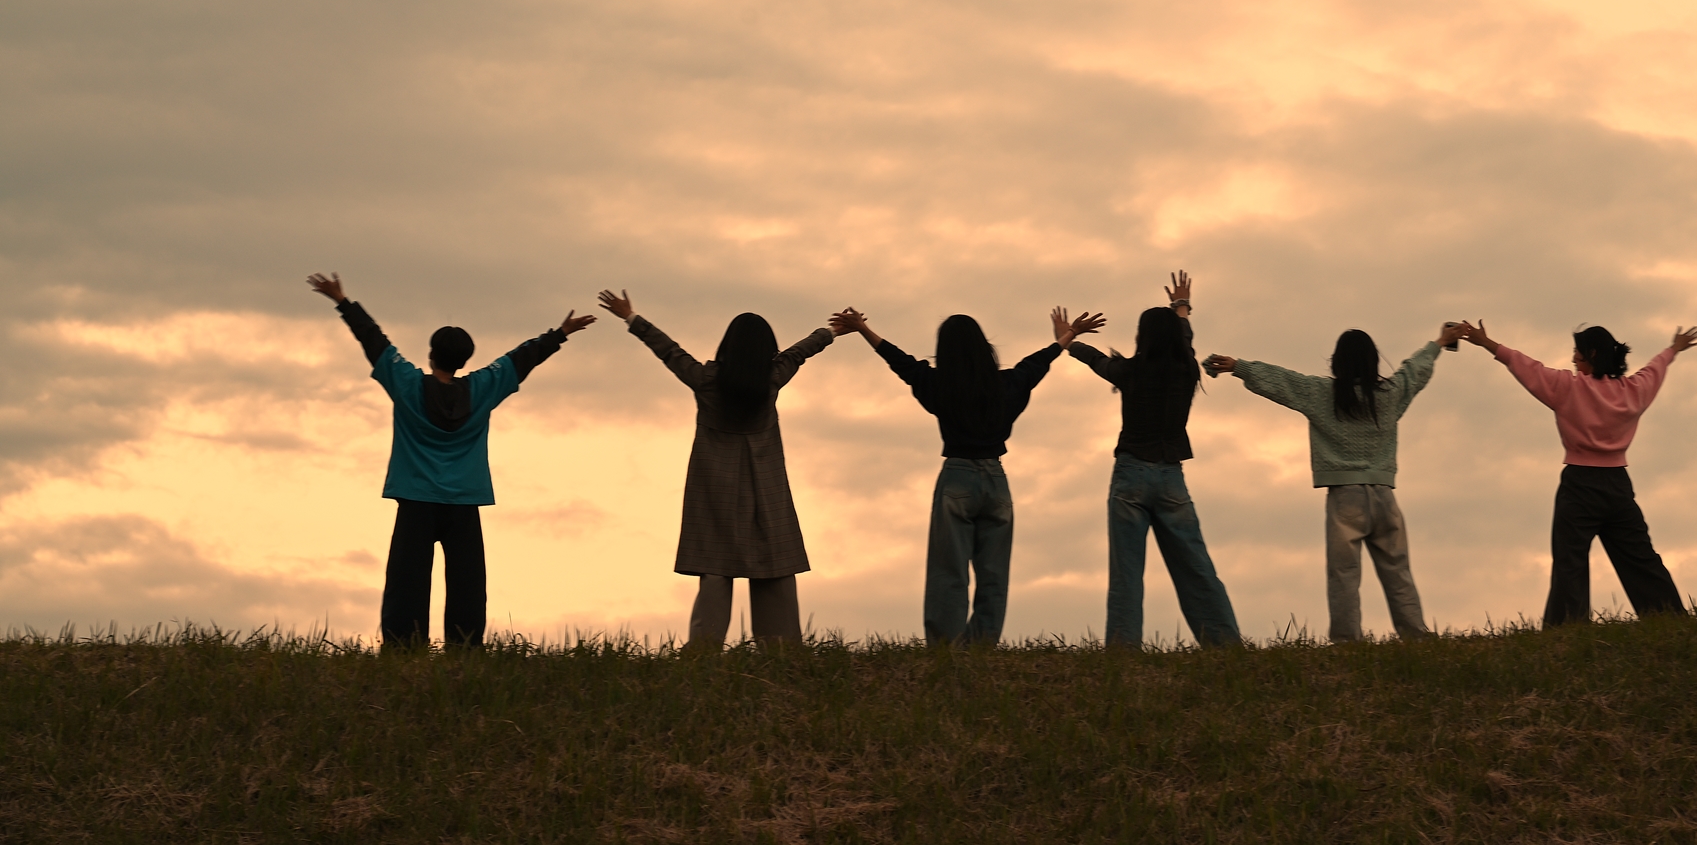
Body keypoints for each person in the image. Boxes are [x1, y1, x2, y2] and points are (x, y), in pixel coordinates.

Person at [307, 272, 595, 648]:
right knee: (467, 583)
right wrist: (560, 334)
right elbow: (521, 359)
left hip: (416, 499)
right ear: (464, 360)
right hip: (464, 500)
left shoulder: (407, 384)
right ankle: (465, 651)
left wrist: (343, 302)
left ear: (431, 355)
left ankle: (403, 649)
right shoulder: (484, 388)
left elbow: (374, 341)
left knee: (407, 581)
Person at [830, 304, 1106, 647]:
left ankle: (945, 649)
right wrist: (1069, 336)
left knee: (949, 571)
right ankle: (981, 647)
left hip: (957, 477)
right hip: (996, 481)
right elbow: (1037, 363)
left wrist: (862, 329)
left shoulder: (938, 384)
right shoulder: (1007, 384)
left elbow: (900, 362)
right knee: (994, 574)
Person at [598, 288, 848, 646]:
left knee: (715, 567)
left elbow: (669, 351)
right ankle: (781, 651)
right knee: (774, 564)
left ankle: (703, 651)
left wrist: (631, 317)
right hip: (766, 488)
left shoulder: (706, 381)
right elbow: (799, 352)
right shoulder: (772, 379)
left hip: (715, 489)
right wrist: (832, 331)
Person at [1205, 323, 1465, 643]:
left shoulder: (1321, 394)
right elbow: (1415, 371)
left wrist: (1239, 367)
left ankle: (1347, 641)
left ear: (1337, 362)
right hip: (1384, 496)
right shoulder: (1389, 394)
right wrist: (1439, 342)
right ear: (1373, 360)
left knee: (1343, 575)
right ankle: (1416, 635)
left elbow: (1283, 381)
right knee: (1397, 570)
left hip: (1345, 498)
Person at [1459, 319, 1697, 625]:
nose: (1573, 359)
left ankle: (1567, 628)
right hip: (1618, 486)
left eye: (1577, 352)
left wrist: (1487, 343)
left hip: (1579, 485)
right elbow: (1654, 370)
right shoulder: (1633, 391)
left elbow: (1526, 366)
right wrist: (1673, 349)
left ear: (1592, 354)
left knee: (1570, 562)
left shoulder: (1568, 387)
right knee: (1640, 558)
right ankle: (1669, 618)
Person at [1066, 271, 1240, 648]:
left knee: (1127, 574)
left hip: (1130, 474)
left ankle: (1124, 651)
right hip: (1171, 477)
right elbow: (1186, 342)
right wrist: (1182, 307)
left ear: (1141, 337)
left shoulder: (1130, 371)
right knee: (1197, 568)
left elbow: (1096, 361)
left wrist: (1069, 341)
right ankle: (1226, 646)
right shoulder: (1187, 371)